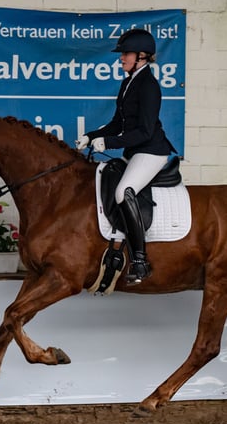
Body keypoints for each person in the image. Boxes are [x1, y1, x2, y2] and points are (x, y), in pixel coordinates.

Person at [75, 28, 176, 284]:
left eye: (125, 55)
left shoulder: (149, 86)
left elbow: (144, 131)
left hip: (152, 151)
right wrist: (91, 135)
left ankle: (140, 261)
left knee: (124, 191)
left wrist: (108, 142)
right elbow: (117, 122)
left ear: (142, 56)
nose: (121, 59)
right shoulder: (128, 82)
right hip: (137, 150)